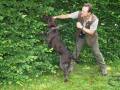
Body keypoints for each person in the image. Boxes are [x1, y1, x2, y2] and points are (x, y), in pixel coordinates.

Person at [53, 3, 107, 76]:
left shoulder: (95, 19)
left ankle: (103, 68)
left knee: (97, 53)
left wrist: (81, 27)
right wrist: (56, 17)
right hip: (81, 36)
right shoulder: (79, 14)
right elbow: (67, 16)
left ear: (89, 13)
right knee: (76, 51)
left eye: (84, 11)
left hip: (91, 38)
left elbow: (91, 32)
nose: (82, 12)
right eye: (82, 10)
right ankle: (70, 67)